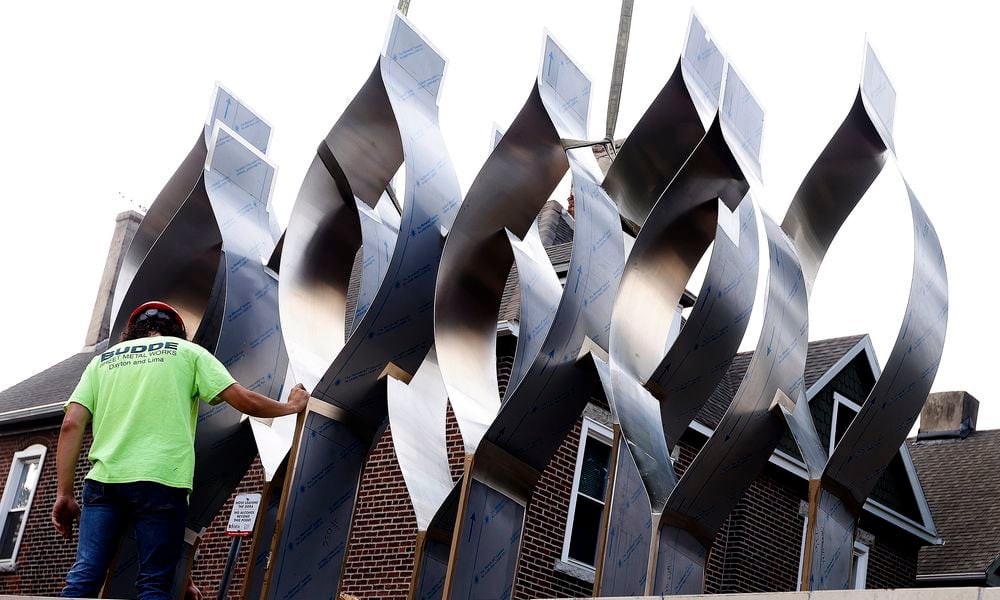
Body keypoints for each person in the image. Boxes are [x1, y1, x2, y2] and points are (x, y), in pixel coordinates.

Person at [51, 301, 309, 599]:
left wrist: (64, 493)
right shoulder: (188, 353)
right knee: (153, 583)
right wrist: (290, 407)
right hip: (162, 481)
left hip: (104, 483)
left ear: (132, 330)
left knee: (85, 575)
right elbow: (243, 400)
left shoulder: (101, 362)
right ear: (177, 330)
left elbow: (71, 424)